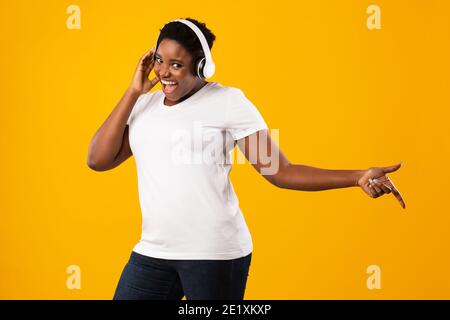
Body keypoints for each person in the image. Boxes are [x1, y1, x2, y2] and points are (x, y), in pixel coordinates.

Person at [86, 18, 405, 300]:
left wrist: (357, 176)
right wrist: (133, 92)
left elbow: (281, 171)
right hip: (154, 251)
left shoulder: (227, 102)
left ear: (201, 66)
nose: (163, 72)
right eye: (158, 60)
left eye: (176, 64)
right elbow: (98, 160)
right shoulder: (145, 106)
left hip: (213, 255)